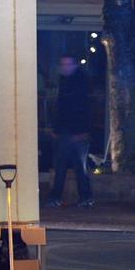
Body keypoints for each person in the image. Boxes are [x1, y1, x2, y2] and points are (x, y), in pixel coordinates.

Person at [45, 54, 94, 208]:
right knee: (75, 167)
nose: (65, 68)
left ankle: (62, 197)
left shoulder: (72, 84)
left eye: (67, 64)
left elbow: (79, 109)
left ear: (74, 66)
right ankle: (84, 197)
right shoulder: (73, 83)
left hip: (72, 132)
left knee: (68, 167)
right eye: (63, 65)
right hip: (69, 132)